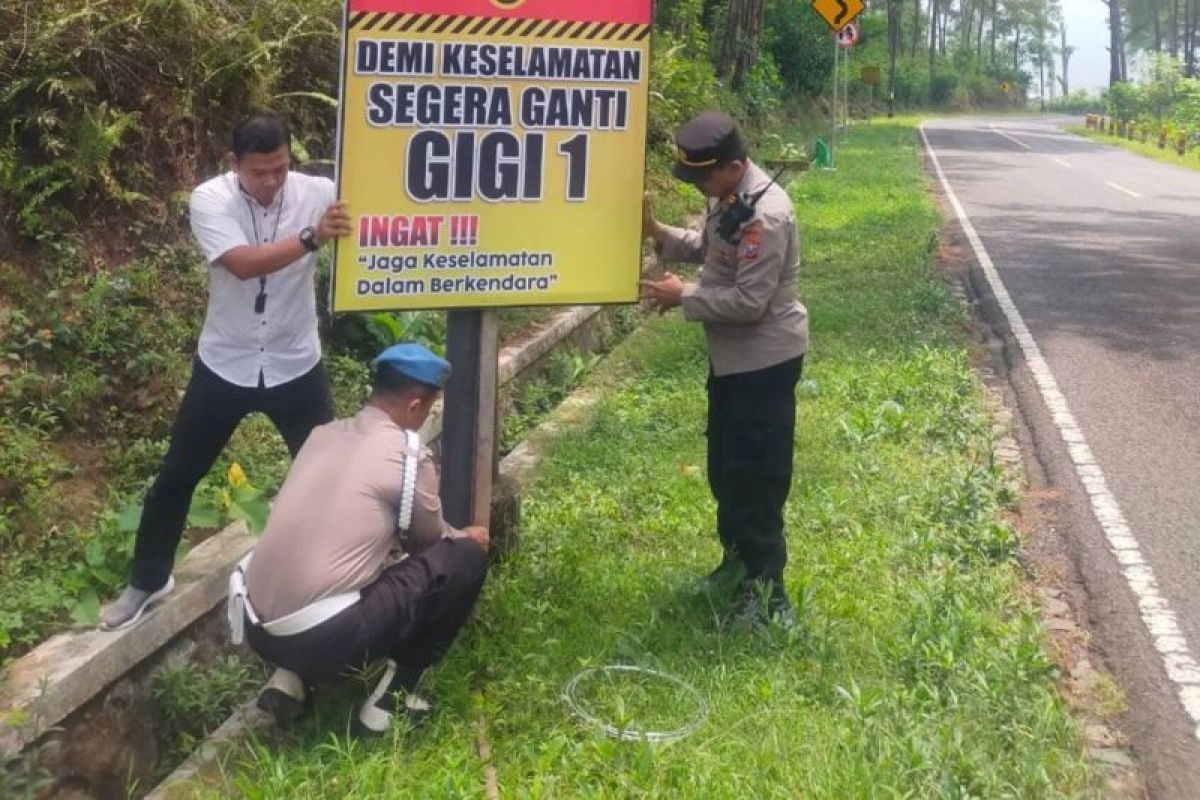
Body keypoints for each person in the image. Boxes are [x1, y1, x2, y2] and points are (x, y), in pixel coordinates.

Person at [100, 110, 353, 630]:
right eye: (259, 172)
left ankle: (341, 578)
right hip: (226, 362)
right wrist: (311, 238)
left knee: (329, 477)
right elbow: (240, 263)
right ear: (234, 164)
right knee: (177, 476)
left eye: (280, 169)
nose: (270, 181)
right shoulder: (209, 199)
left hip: (295, 361)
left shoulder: (319, 191)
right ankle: (147, 581)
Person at [227, 343, 489, 735]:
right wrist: (467, 536)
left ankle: (289, 681)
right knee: (464, 558)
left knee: (342, 552)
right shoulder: (407, 456)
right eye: (430, 408)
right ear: (416, 406)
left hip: (257, 629)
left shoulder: (322, 435)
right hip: (319, 638)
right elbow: (428, 544)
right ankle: (391, 702)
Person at [641, 111, 809, 628]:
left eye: (704, 178)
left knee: (759, 478)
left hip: (764, 361)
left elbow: (749, 300)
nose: (701, 187)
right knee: (726, 469)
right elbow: (710, 247)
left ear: (734, 166)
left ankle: (768, 594)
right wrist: (659, 233)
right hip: (731, 363)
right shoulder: (728, 196)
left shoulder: (768, 216)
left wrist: (683, 295)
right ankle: (735, 563)